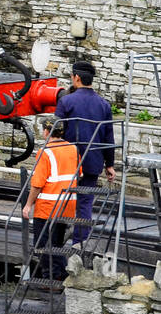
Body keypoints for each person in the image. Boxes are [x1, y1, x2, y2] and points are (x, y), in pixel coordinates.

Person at [54, 60, 116, 241]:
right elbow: (108, 138)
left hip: (68, 162)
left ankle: (56, 241)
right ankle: (80, 245)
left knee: (62, 201)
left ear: (77, 78)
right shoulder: (104, 105)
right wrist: (110, 164)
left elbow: (56, 132)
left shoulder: (66, 101)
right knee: (85, 204)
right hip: (92, 161)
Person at [22, 119, 79, 280]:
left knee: (43, 246)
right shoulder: (73, 149)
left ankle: (54, 277)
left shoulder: (45, 152)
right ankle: (59, 276)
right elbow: (78, 174)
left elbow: (37, 183)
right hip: (67, 204)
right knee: (57, 245)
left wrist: (28, 205)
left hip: (48, 206)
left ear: (47, 132)